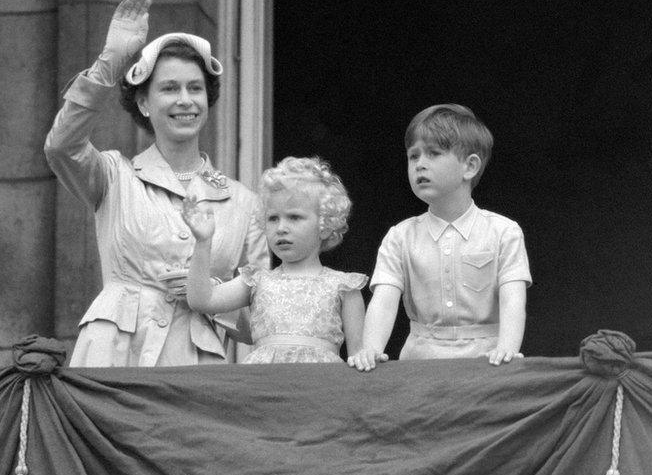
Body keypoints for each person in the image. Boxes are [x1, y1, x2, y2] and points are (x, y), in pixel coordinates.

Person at [44, 0, 268, 366]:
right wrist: (109, 64)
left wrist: (212, 296)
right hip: (114, 358)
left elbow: (266, 317)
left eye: (195, 88)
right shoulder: (114, 176)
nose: (185, 100)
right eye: (169, 88)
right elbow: (61, 147)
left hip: (194, 370)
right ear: (145, 104)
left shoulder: (243, 201)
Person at [349, 104, 530, 370]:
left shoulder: (504, 232)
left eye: (433, 153)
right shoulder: (400, 236)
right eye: (413, 156)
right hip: (419, 366)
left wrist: (508, 349)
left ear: (469, 166)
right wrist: (371, 349)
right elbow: (385, 301)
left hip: (487, 364)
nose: (420, 164)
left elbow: (513, 298)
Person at [180, 156, 366, 363]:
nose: (281, 228)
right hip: (264, 389)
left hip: (320, 390)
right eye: (273, 218)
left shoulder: (344, 287)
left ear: (325, 224)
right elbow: (201, 300)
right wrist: (203, 242)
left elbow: (359, 359)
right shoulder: (257, 281)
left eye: (294, 217)